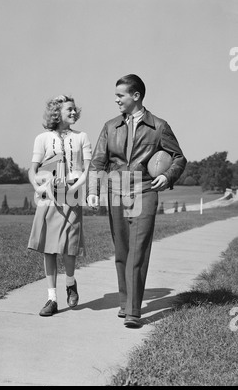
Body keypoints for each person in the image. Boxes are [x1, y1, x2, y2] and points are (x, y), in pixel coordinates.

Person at [87, 74, 187, 328]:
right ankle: (125, 303)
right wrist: (92, 189)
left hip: (144, 190)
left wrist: (167, 175)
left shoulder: (160, 126)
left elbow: (179, 158)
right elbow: (98, 161)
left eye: (120, 95)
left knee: (138, 250)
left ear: (136, 96)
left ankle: (133, 310)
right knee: (122, 251)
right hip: (116, 191)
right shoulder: (110, 127)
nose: (116, 100)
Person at [28, 95, 92, 317]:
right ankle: (52, 299)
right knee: (49, 248)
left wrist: (75, 189)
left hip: (72, 196)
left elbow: (87, 169)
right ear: (57, 113)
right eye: (69, 109)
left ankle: (71, 283)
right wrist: (38, 188)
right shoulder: (42, 138)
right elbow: (33, 170)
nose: (74, 113)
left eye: (75, 109)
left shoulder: (82, 137)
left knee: (69, 245)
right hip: (48, 199)